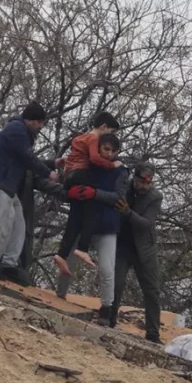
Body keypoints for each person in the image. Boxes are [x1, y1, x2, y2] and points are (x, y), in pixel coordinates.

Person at [0, 101, 57, 286]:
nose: (40, 127)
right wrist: (49, 173)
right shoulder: (16, 129)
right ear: (31, 120)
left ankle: (9, 263)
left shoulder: (20, 132)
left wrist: (54, 164)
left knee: (18, 223)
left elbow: (25, 158)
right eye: (39, 123)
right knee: (3, 223)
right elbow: (28, 158)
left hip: (5, 184)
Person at [55, 133, 128, 325]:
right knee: (67, 262)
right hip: (83, 221)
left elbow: (119, 196)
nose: (109, 153)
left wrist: (95, 194)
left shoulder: (121, 171)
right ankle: (58, 297)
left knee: (106, 269)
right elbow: (69, 185)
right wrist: (68, 193)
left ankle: (106, 309)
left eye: (113, 150)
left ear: (117, 152)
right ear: (99, 148)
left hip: (106, 224)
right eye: (105, 149)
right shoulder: (88, 165)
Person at [0, 159, 65, 273]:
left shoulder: (29, 168)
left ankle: (7, 276)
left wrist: (69, 191)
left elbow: (45, 183)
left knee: (19, 263)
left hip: (22, 220)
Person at [53, 112, 121, 276]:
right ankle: (83, 248)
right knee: (93, 209)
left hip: (70, 177)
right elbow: (95, 159)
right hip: (81, 174)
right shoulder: (92, 139)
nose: (109, 136)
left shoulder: (79, 138)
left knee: (75, 218)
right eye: (110, 132)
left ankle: (62, 254)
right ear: (103, 127)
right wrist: (113, 165)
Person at [109, 163, 164, 343]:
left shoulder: (155, 197)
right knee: (116, 284)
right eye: (141, 182)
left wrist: (127, 212)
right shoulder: (124, 189)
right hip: (123, 245)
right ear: (135, 178)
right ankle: (109, 321)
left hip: (145, 249)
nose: (144, 187)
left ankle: (153, 333)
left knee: (152, 291)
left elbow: (146, 223)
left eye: (148, 183)